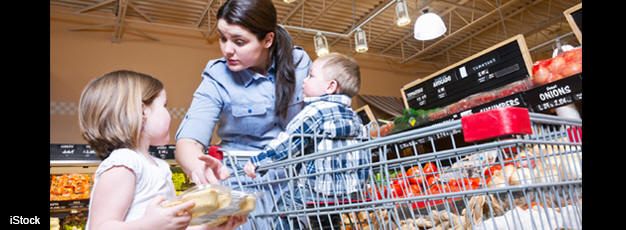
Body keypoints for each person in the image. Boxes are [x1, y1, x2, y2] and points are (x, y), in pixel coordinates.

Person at [78, 70, 246, 230]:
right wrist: (147, 225)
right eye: (164, 105)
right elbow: (99, 226)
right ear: (143, 112)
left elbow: (172, 225)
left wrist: (210, 226)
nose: (169, 113)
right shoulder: (124, 162)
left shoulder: (160, 166)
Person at [243, 53, 370, 230]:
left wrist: (259, 161)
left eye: (311, 75)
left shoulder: (315, 112)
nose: (304, 80)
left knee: (283, 212)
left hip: (316, 192)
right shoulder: (355, 118)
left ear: (330, 86)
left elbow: (288, 142)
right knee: (327, 222)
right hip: (349, 194)